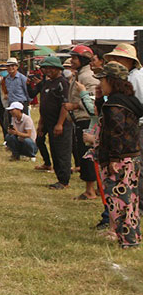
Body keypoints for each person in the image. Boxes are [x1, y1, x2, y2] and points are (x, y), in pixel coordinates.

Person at [91, 61, 143, 248]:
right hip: (132, 157)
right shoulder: (131, 101)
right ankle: (134, 237)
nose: (100, 84)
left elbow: (116, 132)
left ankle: (127, 240)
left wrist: (113, 158)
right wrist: (98, 99)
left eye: (103, 80)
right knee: (132, 200)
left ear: (112, 81)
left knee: (118, 201)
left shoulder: (114, 105)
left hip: (118, 160)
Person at [28, 56, 73, 189]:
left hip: (60, 123)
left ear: (57, 69)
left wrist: (60, 124)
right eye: (45, 68)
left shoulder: (62, 83)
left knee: (61, 151)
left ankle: (64, 181)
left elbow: (65, 105)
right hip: (48, 122)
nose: (47, 71)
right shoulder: (47, 83)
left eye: (50, 68)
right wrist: (41, 123)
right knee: (53, 149)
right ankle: (59, 177)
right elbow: (44, 104)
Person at [65, 45, 100, 200]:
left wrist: (75, 106)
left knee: (87, 156)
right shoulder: (79, 75)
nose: (71, 61)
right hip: (80, 119)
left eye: (74, 58)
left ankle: (90, 190)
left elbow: (93, 101)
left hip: (87, 121)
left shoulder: (88, 77)